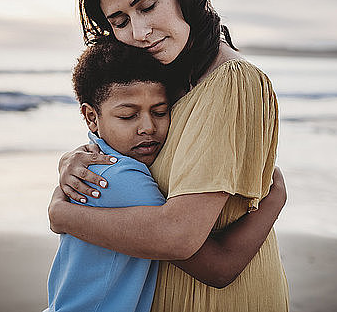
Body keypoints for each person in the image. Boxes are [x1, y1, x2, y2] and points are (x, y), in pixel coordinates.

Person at [49, 0, 289, 311]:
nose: (139, 33)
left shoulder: (231, 82)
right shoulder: (174, 81)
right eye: (120, 20)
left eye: (148, 6)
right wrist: (75, 159)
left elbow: (179, 237)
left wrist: (63, 214)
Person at [47, 39, 283, 312]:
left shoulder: (92, 164)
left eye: (160, 112)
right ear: (91, 117)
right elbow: (219, 267)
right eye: (127, 116)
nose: (147, 127)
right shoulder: (124, 181)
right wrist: (275, 199)